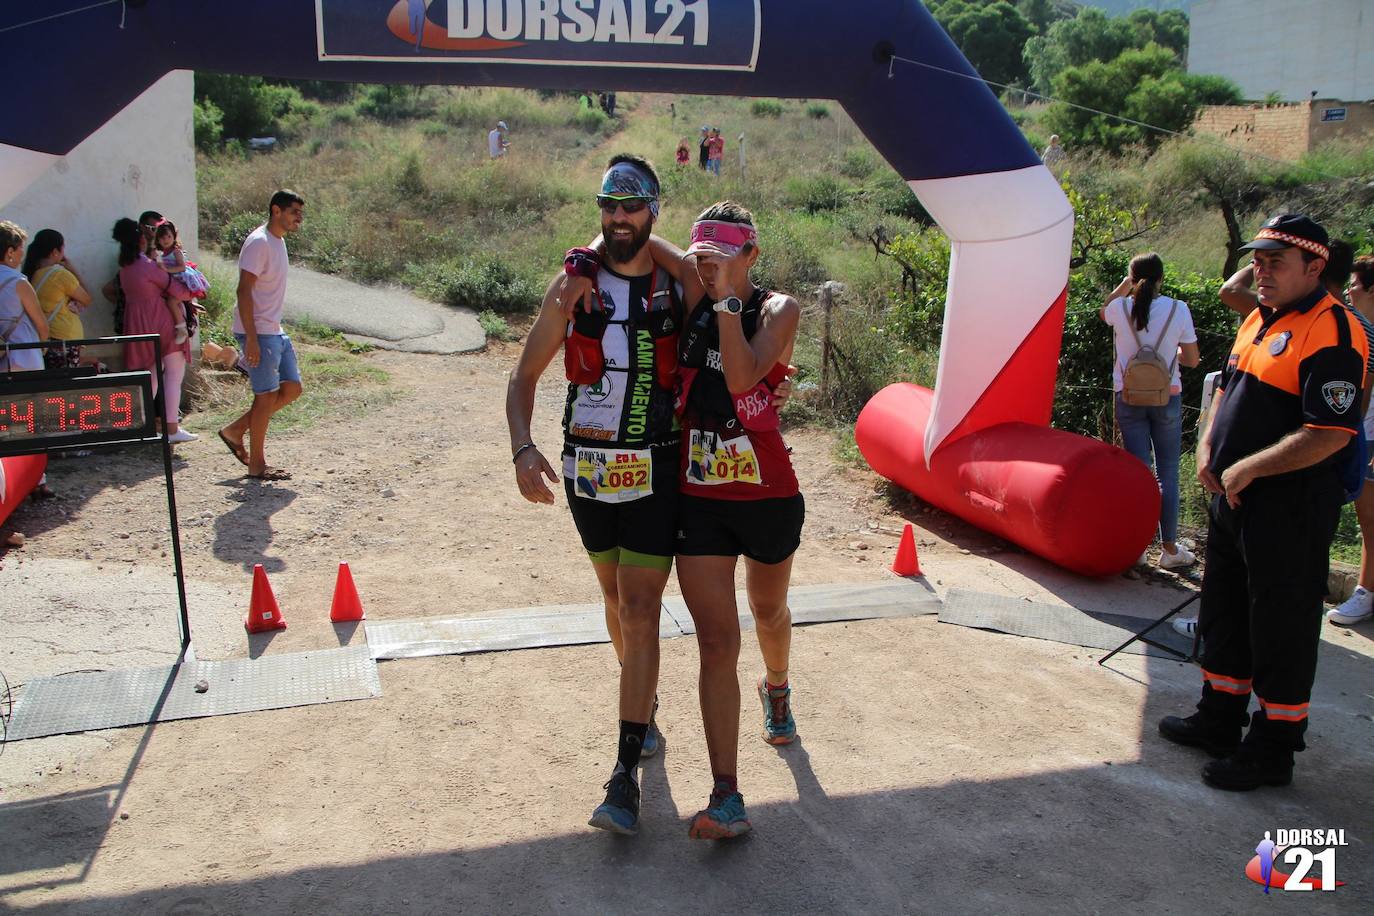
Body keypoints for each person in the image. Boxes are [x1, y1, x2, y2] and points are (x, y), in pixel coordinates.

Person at [1158, 214, 1368, 791]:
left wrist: (1248, 466)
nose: (1262, 270)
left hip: (1290, 505)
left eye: (1277, 261)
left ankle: (1273, 748)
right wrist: (1206, 447)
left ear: (1315, 267)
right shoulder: (1257, 316)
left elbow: (1328, 432)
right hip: (1234, 497)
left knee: (1281, 624)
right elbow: (1225, 388)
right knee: (1226, 609)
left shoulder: (1335, 331)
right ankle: (1219, 718)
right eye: (1259, 259)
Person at [507, 155, 678, 836]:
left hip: (658, 466)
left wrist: (642, 239)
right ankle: (647, 711)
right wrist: (522, 448)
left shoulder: (674, 283)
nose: (617, 218)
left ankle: (622, 773)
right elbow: (522, 379)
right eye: (608, 205)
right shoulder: (573, 287)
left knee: (640, 609)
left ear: (654, 212)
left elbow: (718, 292)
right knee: (614, 603)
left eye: (632, 206)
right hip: (590, 471)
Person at [1100, 253, 1201, 575]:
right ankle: (1170, 548)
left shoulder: (1120, 308)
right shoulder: (1178, 309)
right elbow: (1193, 360)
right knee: (1168, 471)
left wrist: (1125, 285)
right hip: (1166, 396)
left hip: (1128, 396)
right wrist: (1170, 352)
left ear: (1132, 278)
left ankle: (1138, 548)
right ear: (1162, 278)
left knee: (1141, 472)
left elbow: (1105, 309)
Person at [216, 189, 306, 481]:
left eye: (300, 213)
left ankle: (236, 429)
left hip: (274, 330)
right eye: (294, 211)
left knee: (292, 388)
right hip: (258, 332)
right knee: (265, 397)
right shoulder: (258, 242)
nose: (299, 218)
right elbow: (243, 290)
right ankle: (257, 465)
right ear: (275, 210)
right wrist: (251, 338)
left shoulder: (277, 242)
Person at [112, 218, 198, 445]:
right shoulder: (148, 266)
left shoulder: (124, 268)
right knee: (173, 374)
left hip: (137, 324)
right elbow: (179, 290)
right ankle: (172, 428)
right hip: (162, 323)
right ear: (142, 238)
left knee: (149, 377)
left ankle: (136, 427)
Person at [1328, 253, 1374, 627]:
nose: (1349, 290)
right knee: (1366, 518)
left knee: (1370, 519)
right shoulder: (1352, 325)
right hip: (1360, 437)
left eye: (1355, 285)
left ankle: (1365, 592)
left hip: (1365, 438)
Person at [1, 221, 56, 498]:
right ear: (10, 252)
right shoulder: (17, 281)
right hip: (24, 353)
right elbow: (40, 323)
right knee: (33, 419)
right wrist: (43, 346)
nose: (23, 254)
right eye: (20, 248)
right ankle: (37, 479)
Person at [22, 229, 93, 370]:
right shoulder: (60, 275)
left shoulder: (31, 275)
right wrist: (72, 269)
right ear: (55, 252)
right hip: (64, 339)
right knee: (69, 385)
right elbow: (87, 299)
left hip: (46, 339)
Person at [152, 220, 209, 346]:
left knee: (172, 301)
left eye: (169, 236)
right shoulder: (162, 254)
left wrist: (167, 270)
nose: (166, 240)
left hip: (184, 282)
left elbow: (182, 267)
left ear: (173, 236)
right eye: (162, 237)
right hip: (173, 283)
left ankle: (181, 327)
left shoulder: (176, 252)